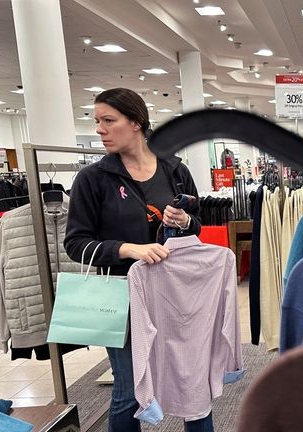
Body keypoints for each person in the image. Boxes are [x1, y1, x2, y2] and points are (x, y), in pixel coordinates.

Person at [64, 88, 207, 431]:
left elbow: (197, 224)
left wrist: (186, 222)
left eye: (108, 121)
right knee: (130, 393)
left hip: (175, 294)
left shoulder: (175, 170)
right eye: (96, 121)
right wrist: (127, 249)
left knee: (192, 382)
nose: (99, 129)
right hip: (121, 298)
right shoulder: (92, 179)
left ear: (137, 123)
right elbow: (76, 243)